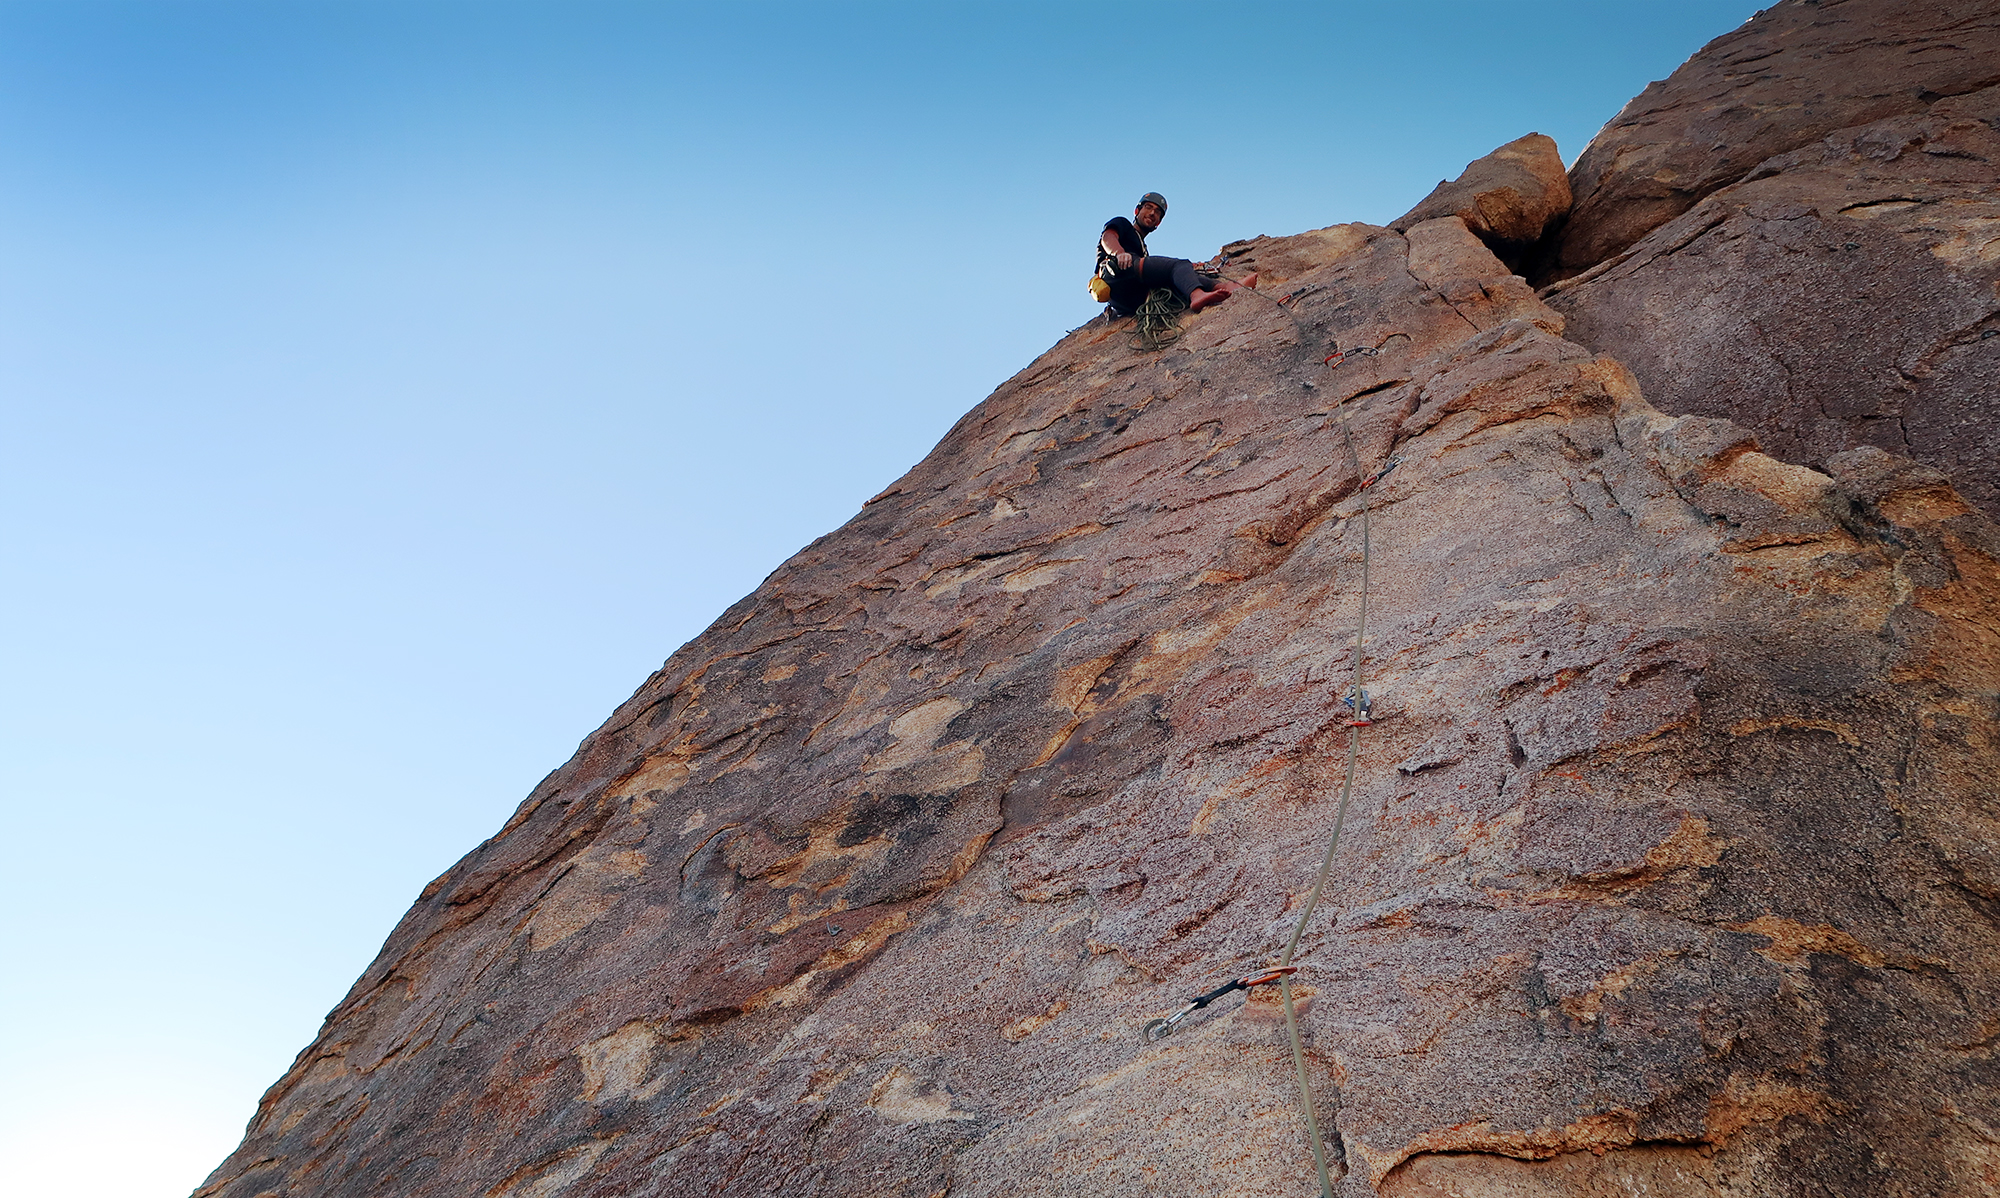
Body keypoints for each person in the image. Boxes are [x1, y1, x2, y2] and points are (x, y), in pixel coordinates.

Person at [1096, 192, 1255, 317]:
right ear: (1137, 211)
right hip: (1116, 275)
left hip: (1132, 298)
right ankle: (1197, 296)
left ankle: (1227, 287)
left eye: (1157, 212)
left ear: (1158, 223)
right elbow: (1108, 236)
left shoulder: (1142, 248)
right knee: (1178, 265)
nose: (1152, 213)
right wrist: (1119, 253)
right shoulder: (1123, 224)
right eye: (1148, 207)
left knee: (1182, 277)